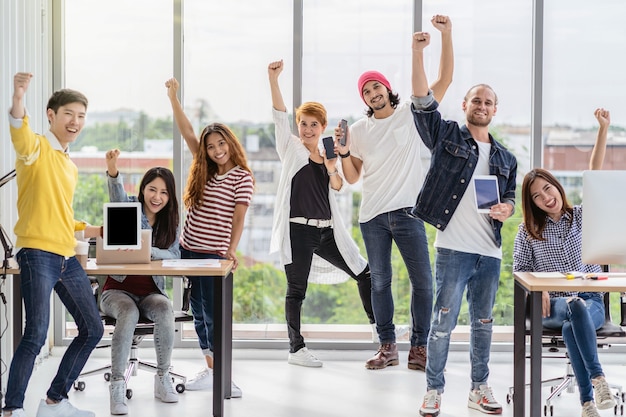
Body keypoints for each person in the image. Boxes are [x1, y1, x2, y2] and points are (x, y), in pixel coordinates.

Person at [337, 15, 454, 371]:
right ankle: (387, 346)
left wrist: (445, 37)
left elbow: (444, 80)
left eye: (376, 87)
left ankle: (419, 348)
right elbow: (353, 177)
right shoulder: (358, 129)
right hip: (372, 215)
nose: (373, 94)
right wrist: (343, 152)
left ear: (388, 89)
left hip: (407, 212)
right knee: (381, 282)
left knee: (423, 281)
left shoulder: (409, 114)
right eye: (366, 91)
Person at [411, 32, 517, 416]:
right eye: (477, 100)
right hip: (454, 250)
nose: (482, 106)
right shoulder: (448, 136)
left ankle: (478, 388)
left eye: (488, 102)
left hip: (489, 252)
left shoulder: (506, 156)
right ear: (465, 104)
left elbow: (510, 198)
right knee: (442, 325)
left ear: (495, 109)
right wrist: (420, 52)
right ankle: (434, 390)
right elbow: (422, 104)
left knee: (483, 324)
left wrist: (506, 208)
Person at [4, 73, 104, 417]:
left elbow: (62, 213)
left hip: (66, 255)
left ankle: (55, 401)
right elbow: (19, 129)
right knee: (36, 333)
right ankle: (13, 408)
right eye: (68, 114)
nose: (75, 122)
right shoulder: (36, 148)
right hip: (37, 253)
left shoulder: (69, 164)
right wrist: (19, 96)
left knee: (93, 327)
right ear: (51, 115)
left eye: (81, 116)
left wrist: (90, 229)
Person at [267, 59, 378, 368]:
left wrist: (331, 168)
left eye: (314, 125)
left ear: (322, 128)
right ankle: (296, 349)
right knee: (296, 290)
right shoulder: (291, 148)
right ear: (298, 125)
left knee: (363, 271)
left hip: (327, 231)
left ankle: (378, 330)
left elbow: (340, 185)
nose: (307, 129)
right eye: (303, 123)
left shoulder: (328, 151)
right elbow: (278, 117)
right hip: (298, 231)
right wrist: (274, 80)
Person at [513, 109, 615, 417]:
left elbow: (594, 174)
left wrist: (603, 130)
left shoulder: (583, 216)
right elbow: (519, 268)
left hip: (591, 301)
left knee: (577, 314)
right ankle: (598, 379)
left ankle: (587, 403)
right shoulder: (527, 231)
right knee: (571, 306)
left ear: (557, 186)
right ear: (532, 204)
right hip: (550, 305)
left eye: (548, 188)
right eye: (537, 196)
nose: (546, 197)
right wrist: (539, 290)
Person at [165, 77, 253, 397]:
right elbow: (188, 131)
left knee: (214, 315)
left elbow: (239, 218)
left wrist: (230, 252)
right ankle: (212, 369)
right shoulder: (205, 169)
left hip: (213, 255)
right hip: (188, 249)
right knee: (199, 313)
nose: (216, 150)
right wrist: (173, 97)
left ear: (230, 143)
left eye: (220, 144)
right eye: (211, 146)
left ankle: (224, 377)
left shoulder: (242, 177)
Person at [102, 149, 181, 414]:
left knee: (164, 308)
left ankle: (162, 378)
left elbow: (174, 254)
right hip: (117, 290)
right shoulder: (130, 210)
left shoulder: (171, 222)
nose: (157, 197)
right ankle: (116, 385)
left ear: (170, 197)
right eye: (152, 189)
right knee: (129, 311)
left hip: (151, 292)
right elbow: (116, 196)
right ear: (143, 190)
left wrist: (149, 251)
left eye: (164, 192)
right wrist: (113, 170)